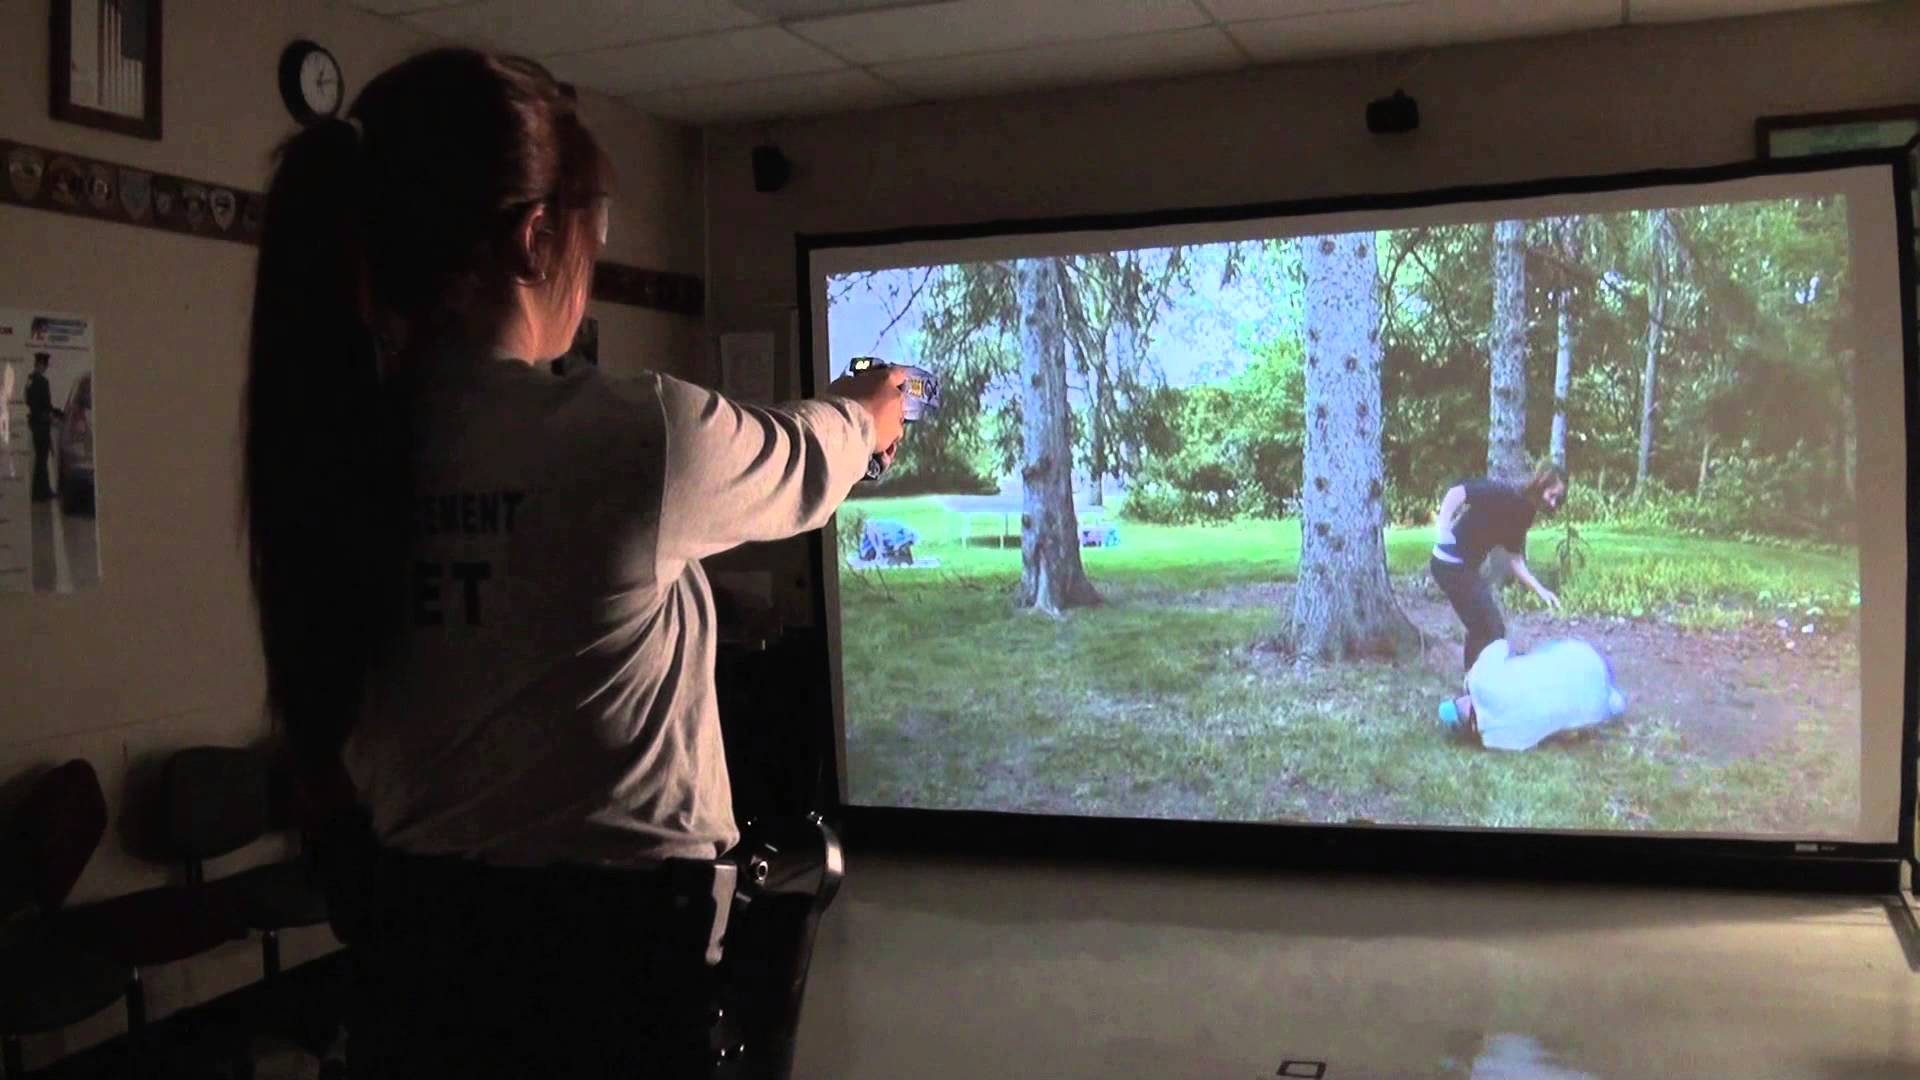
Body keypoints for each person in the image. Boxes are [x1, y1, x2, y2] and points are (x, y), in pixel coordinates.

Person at [240, 49, 905, 1078]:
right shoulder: (631, 436)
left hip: (413, 975)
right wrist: (869, 414)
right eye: (592, 234)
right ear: (532, 235)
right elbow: (806, 462)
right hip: (620, 983)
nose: (589, 269)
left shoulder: (330, 449)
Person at [1429, 463, 1567, 673]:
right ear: (1541, 484)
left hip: (1465, 568)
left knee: (1486, 627)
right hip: (1449, 564)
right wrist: (1443, 529)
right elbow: (1456, 493)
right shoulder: (1503, 494)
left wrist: (1541, 590)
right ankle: (1474, 682)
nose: (1554, 503)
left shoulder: (1525, 513)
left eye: (1559, 500)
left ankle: (1474, 679)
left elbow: (1515, 559)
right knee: (1489, 627)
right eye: (1553, 495)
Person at [26, 353, 56, 501]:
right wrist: (53, 414)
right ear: (40, 365)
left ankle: (41, 491)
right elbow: (45, 404)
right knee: (42, 458)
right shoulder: (43, 382)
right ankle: (41, 492)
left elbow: (29, 401)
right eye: (45, 365)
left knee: (40, 458)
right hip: (42, 424)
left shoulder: (30, 379)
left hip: (35, 423)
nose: (46, 368)